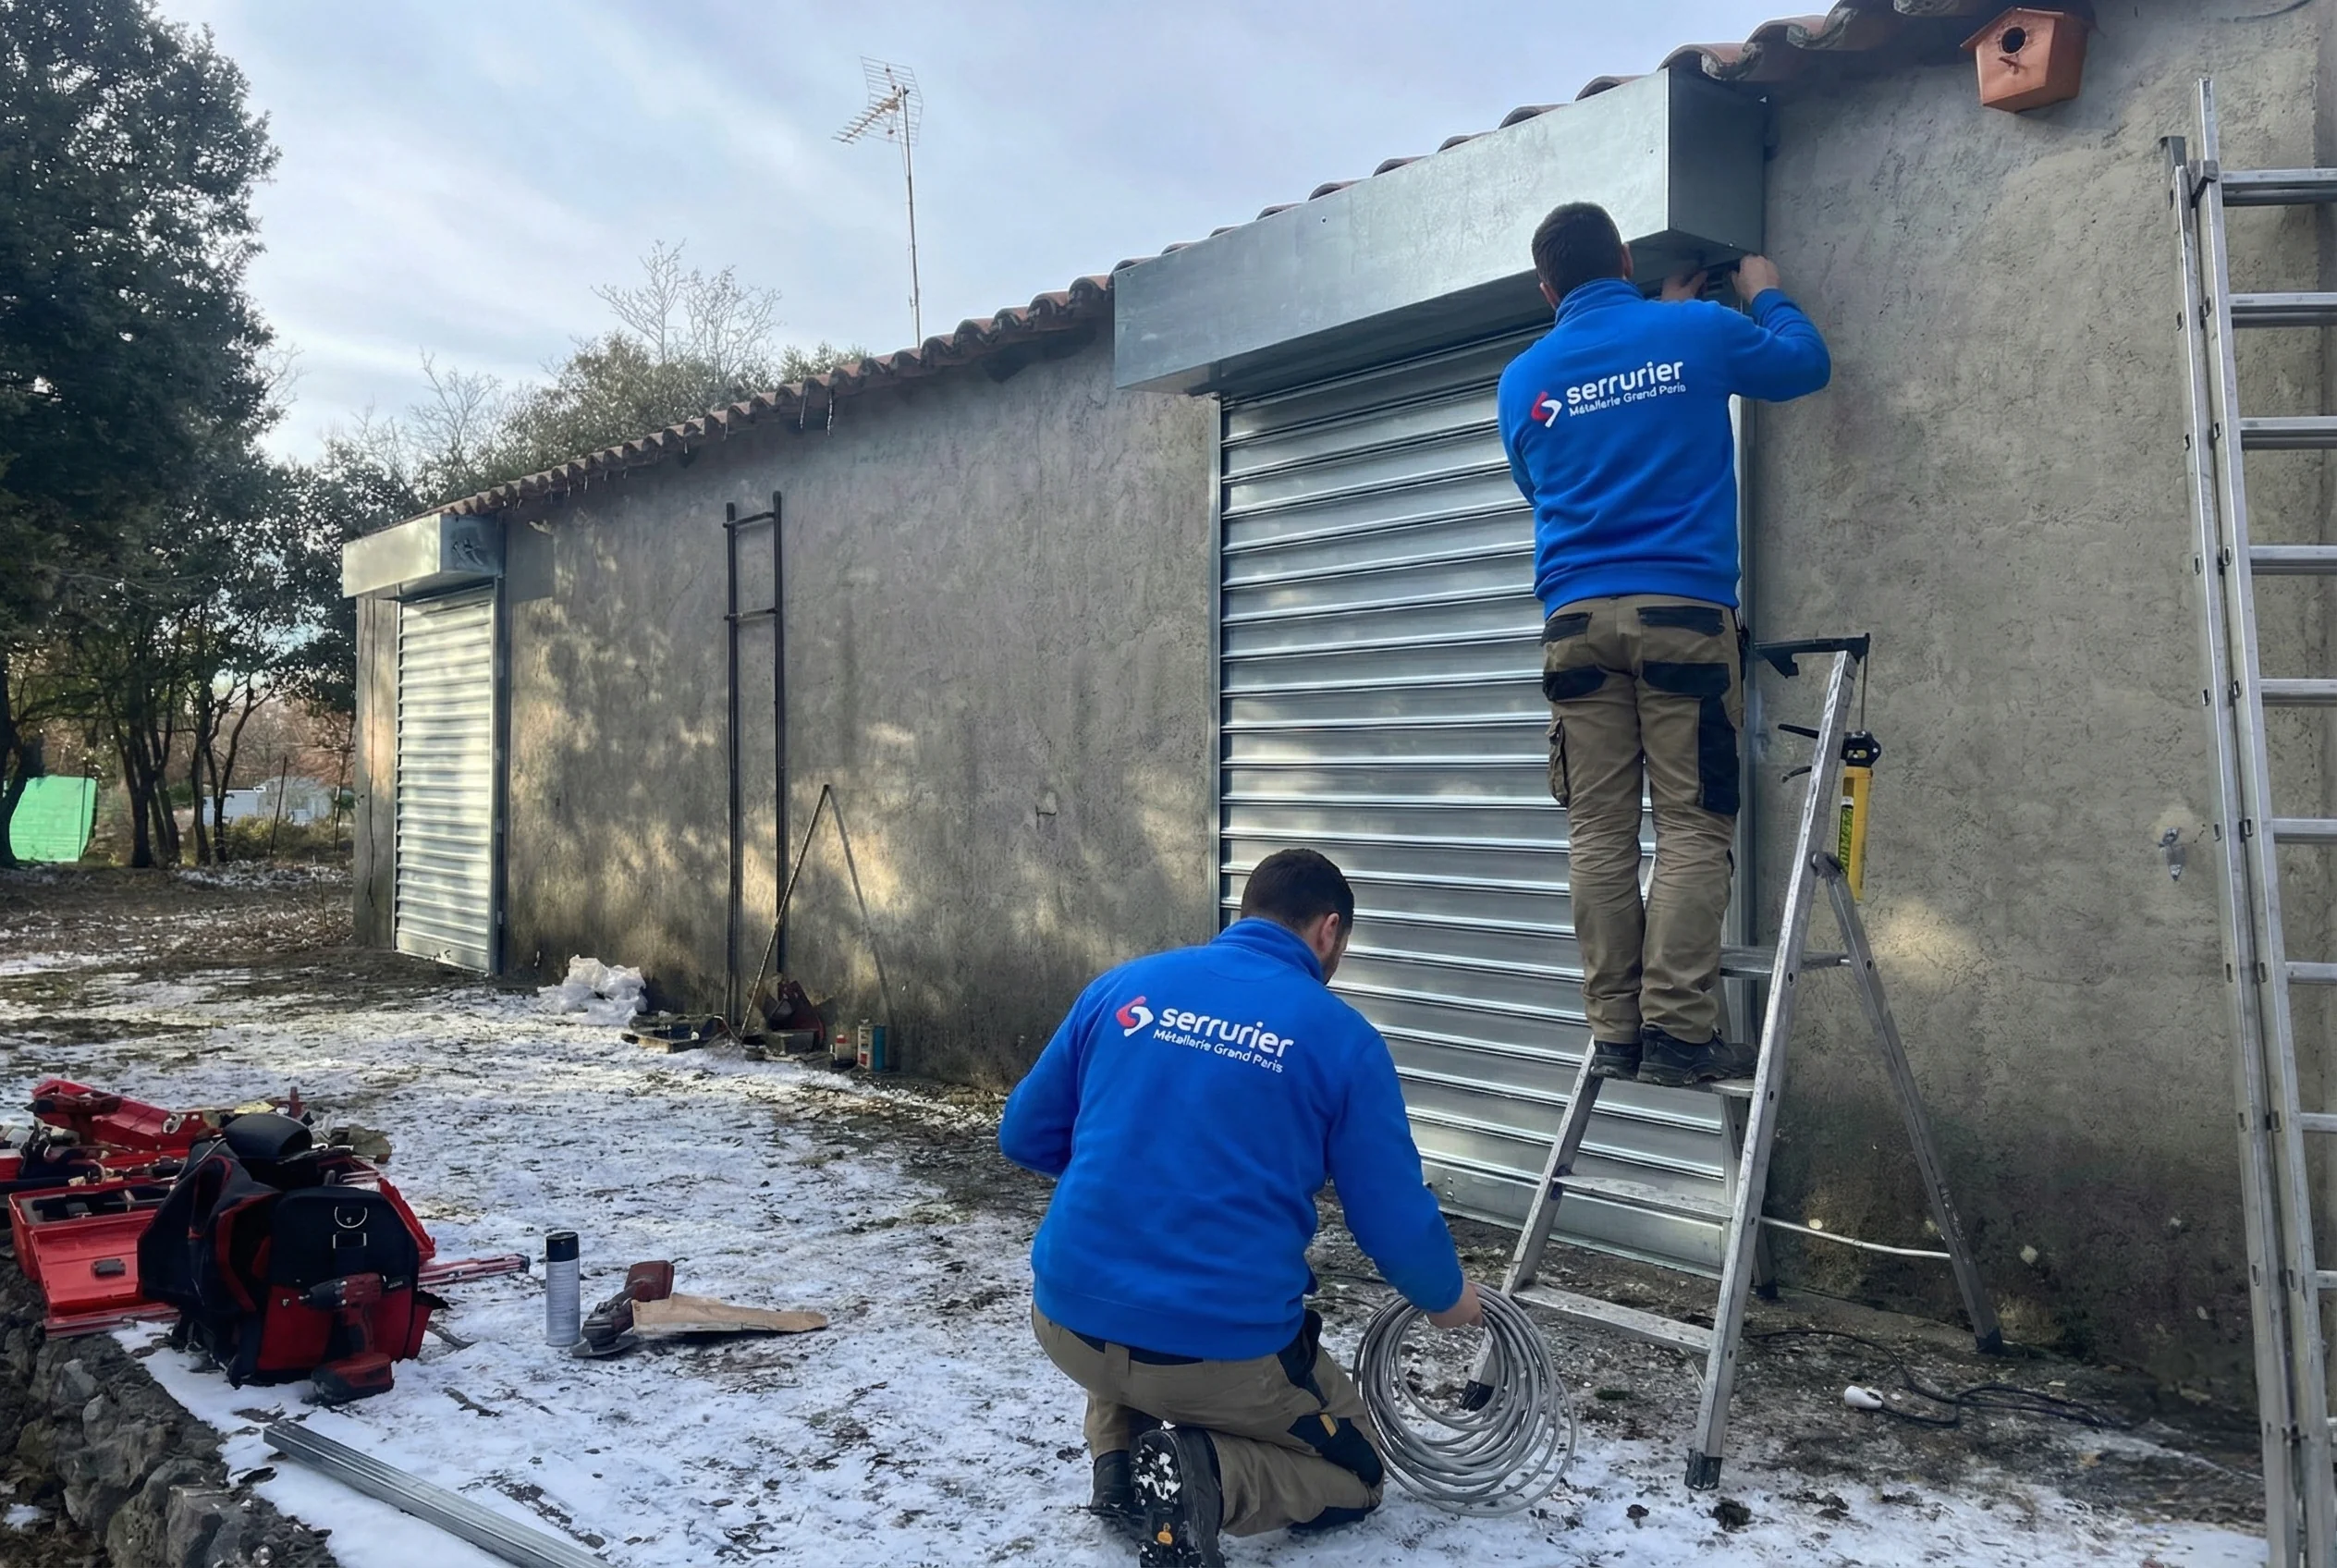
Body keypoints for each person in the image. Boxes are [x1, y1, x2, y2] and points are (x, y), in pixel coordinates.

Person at [998, 848, 1480, 1568]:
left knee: (1132, 1322)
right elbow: (1390, 1218)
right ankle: (1208, 1478)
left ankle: (1120, 1463)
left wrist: (1140, 1179)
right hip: (1216, 1354)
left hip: (1067, 1321)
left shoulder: (1125, 987)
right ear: (1328, 932)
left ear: (1246, 913)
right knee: (1357, 1469)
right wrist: (1448, 1301)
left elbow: (1024, 1135)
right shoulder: (1341, 1038)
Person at [1497, 202, 1832, 1090]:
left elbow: (1541, 485)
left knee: (1598, 832)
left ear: (1545, 288)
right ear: (1626, 255)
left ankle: (1615, 1032)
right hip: (1682, 617)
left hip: (1573, 628)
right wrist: (1763, 295)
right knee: (1690, 825)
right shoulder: (1699, 330)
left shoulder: (1522, 377)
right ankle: (1681, 1033)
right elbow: (1806, 366)